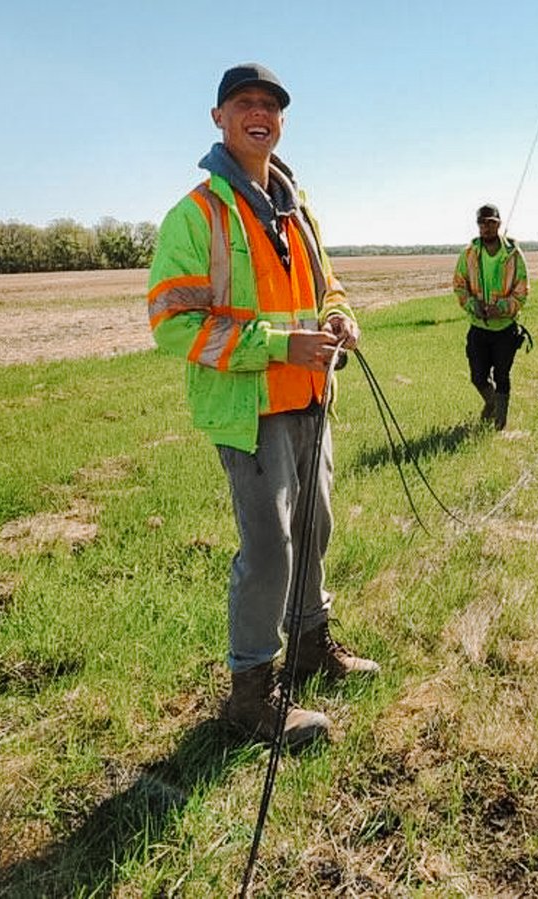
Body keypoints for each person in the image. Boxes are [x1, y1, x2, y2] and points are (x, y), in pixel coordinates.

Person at [147, 63, 378, 748]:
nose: (260, 113)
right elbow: (173, 321)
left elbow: (328, 287)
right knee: (269, 548)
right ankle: (250, 693)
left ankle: (311, 645)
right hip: (250, 412)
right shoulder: (197, 214)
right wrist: (279, 345)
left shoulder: (297, 207)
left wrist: (340, 320)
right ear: (218, 118)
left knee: (315, 528)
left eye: (272, 106)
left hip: (312, 398)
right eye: (245, 103)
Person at [452, 204, 529, 430]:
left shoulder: (513, 254)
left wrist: (502, 308)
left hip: (505, 328)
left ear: (499, 224)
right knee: (477, 376)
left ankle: (500, 425)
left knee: (502, 375)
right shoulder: (468, 254)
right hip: (478, 328)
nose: (486, 227)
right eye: (482, 223)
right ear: (478, 225)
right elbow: (459, 285)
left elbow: (522, 291)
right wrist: (473, 305)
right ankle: (492, 402)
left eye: (490, 223)